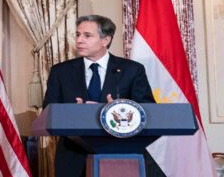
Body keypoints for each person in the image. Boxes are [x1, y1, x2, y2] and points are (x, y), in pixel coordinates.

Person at [42, 15, 156, 177]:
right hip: (72, 157)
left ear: (105, 40)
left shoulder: (132, 70)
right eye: (78, 35)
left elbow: (148, 109)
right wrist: (75, 113)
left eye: (87, 36)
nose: (79, 40)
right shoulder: (60, 71)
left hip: (120, 155)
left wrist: (114, 109)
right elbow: (49, 111)